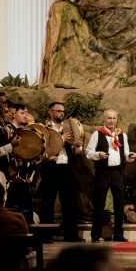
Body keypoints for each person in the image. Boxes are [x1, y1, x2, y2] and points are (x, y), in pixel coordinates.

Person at [85, 108, 136, 242]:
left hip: (118, 172)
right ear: (104, 119)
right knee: (99, 203)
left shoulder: (122, 135)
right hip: (103, 172)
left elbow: (125, 153)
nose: (111, 121)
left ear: (117, 119)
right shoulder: (98, 134)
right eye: (109, 118)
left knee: (119, 204)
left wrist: (130, 156)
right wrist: (98, 154)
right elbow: (88, 152)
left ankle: (118, 234)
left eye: (114, 118)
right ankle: (95, 235)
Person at [40, 102, 83, 241]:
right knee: (48, 202)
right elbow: (44, 148)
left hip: (66, 167)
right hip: (50, 167)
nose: (61, 113)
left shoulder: (68, 126)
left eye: (62, 111)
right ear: (50, 112)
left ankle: (70, 235)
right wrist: (62, 139)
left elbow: (76, 152)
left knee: (70, 202)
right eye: (58, 111)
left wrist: (78, 146)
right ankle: (46, 236)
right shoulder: (43, 128)